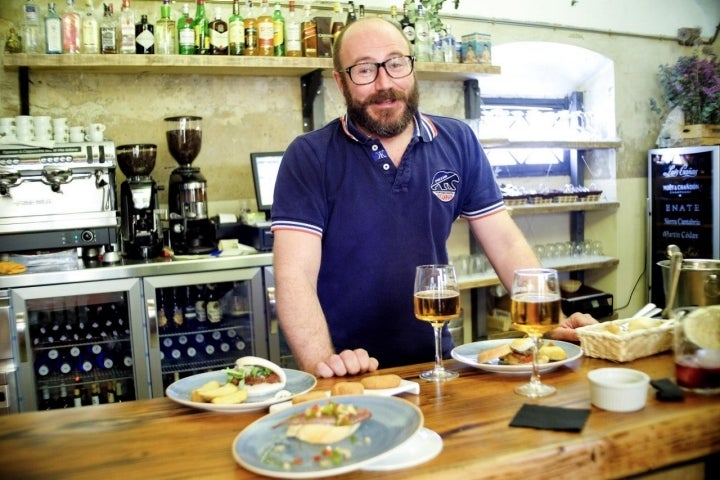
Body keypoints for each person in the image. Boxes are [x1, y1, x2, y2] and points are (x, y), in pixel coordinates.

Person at [271, 17, 596, 378]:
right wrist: (324, 365)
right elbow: (293, 276)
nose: (385, 83)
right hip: (349, 367)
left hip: (437, 364)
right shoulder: (310, 155)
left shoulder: (458, 141)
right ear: (340, 81)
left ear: (412, 66)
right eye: (364, 70)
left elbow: (505, 243)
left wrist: (553, 322)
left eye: (396, 63)